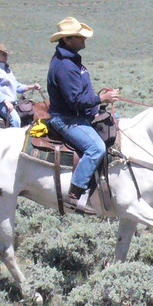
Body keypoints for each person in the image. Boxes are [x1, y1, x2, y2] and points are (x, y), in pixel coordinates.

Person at [45, 17, 120, 210]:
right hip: (67, 119)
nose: (84, 40)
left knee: (116, 125)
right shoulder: (65, 66)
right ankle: (75, 193)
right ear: (68, 40)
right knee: (96, 148)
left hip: (80, 115)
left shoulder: (72, 61)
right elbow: (74, 101)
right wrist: (101, 99)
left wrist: (97, 104)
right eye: (79, 37)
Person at [0, 43, 40, 127]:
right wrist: (5, 102)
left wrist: (32, 87)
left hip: (10, 101)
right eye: (3, 54)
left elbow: (17, 86)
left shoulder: (6, 69)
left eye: (6, 55)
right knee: (16, 120)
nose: (6, 57)